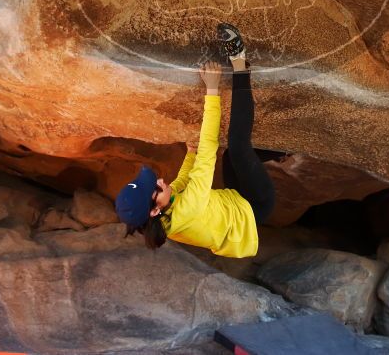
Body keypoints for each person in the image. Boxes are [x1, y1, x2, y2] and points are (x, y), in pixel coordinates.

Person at [114, 23, 275, 258]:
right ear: (154, 210)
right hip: (254, 207)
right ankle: (240, 62)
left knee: (232, 155)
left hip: (232, 202)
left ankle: (281, 155)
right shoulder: (187, 210)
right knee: (238, 145)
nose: (159, 180)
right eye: (155, 187)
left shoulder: (162, 216)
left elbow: (180, 183)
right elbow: (209, 149)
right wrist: (212, 90)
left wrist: (190, 153)